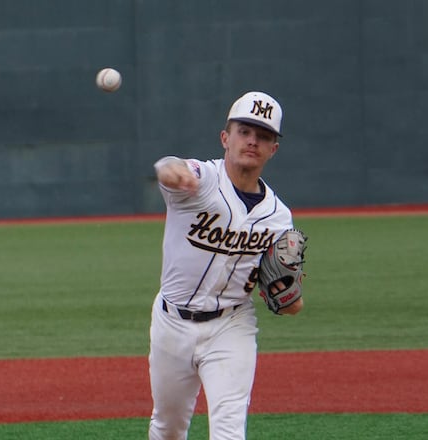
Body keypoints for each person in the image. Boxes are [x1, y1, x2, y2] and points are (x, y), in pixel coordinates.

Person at [148, 91, 303, 440]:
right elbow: (169, 167)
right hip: (172, 322)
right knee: (168, 427)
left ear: (273, 149)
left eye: (263, 136)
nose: (252, 141)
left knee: (229, 432)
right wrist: (171, 170)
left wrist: (289, 298)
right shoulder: (201, 180)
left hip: (231, 325)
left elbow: (291, 303)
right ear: (225, 138)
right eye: (244, 131)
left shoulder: (279, 218)